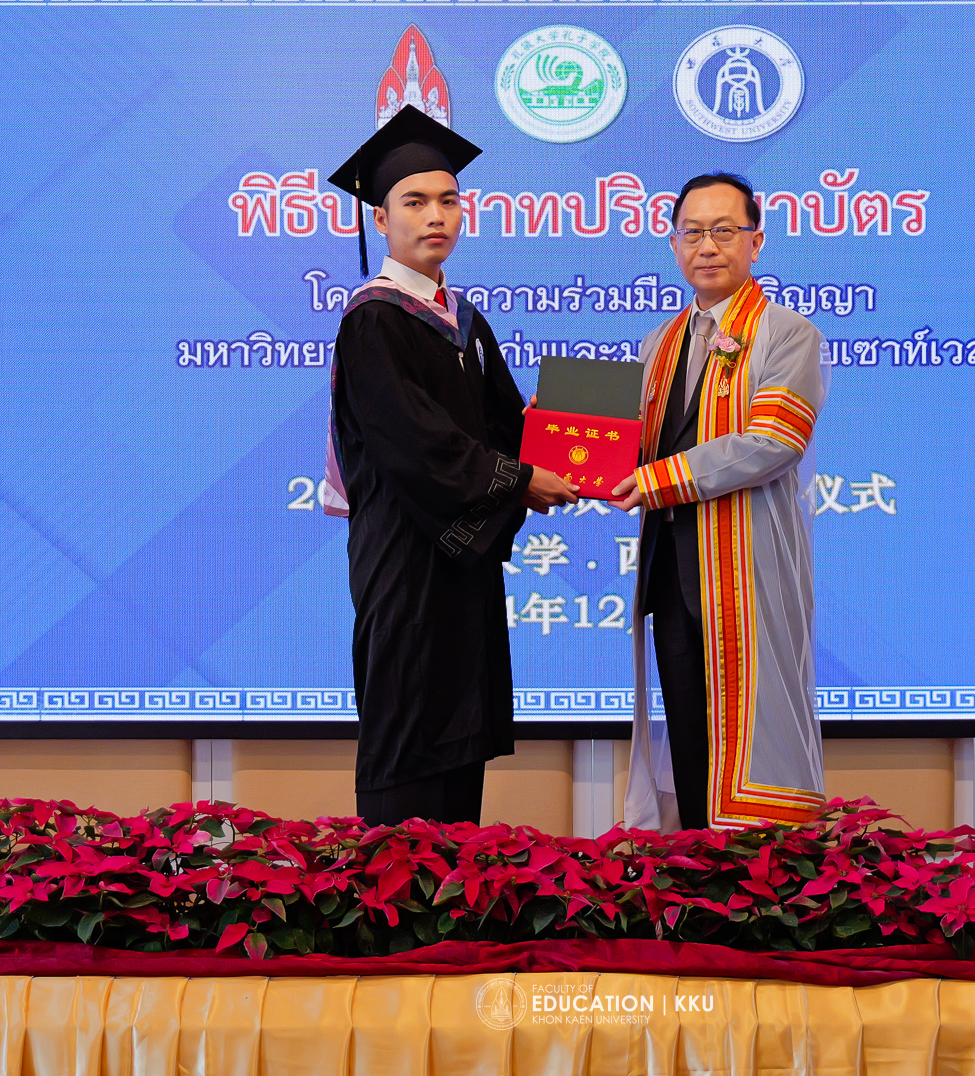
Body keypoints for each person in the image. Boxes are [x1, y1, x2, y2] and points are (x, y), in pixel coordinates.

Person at [321, 106, 579, 828]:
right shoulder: (375, 319)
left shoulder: (465, 319)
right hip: (407, 555)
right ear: (381, 218)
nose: (436, 216)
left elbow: (503, 422)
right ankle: (397, 892)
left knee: (459, 730)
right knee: (409, 725)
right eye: (415, 201)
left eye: (449, 200)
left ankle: (461, 891)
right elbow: (417, 443)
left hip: (462, 559)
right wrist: (519, 479)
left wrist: (558, 443)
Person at [613, 172, 828, 831]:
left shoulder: (788, 334)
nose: (707, 246)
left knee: (755, 734)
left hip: (746, 570)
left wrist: (660, 479)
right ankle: (694, 869)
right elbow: (634, 443)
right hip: (672, 573)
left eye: (724, 231)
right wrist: (567, 436)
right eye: (693, 232)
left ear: (756, 242)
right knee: (688, 733)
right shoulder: (659, 343)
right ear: (674, 245)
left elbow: (774, 441)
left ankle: (756, 876)